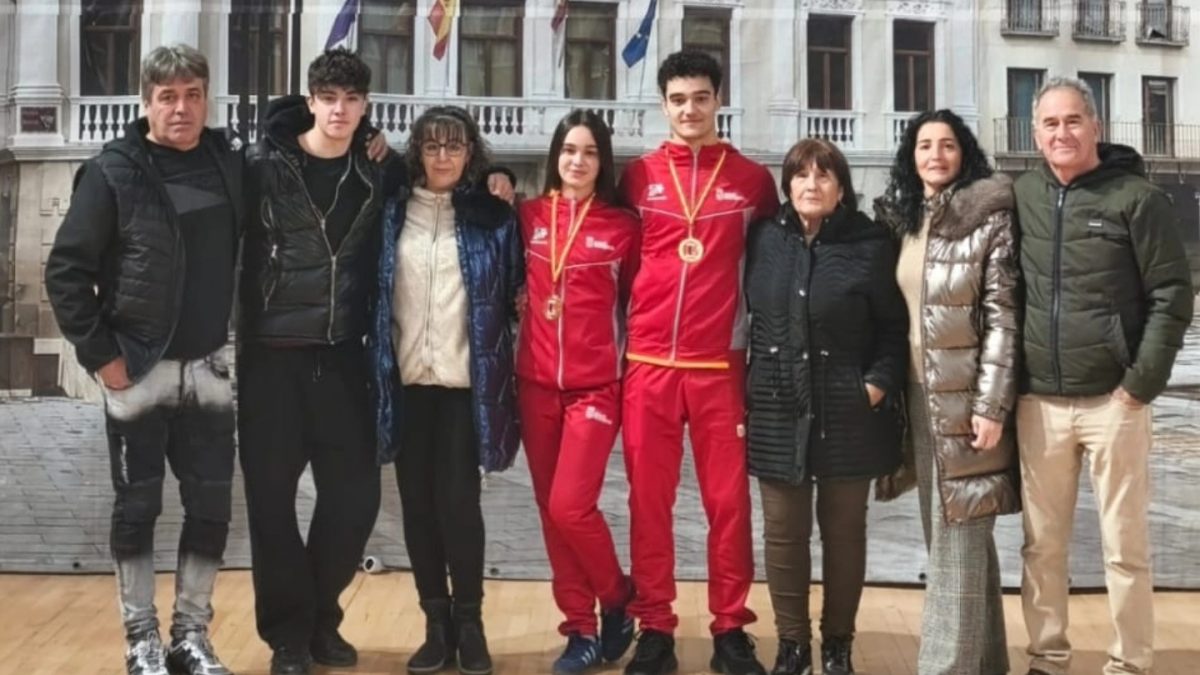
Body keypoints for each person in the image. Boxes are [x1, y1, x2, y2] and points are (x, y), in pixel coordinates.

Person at [44, 44, 240, 675]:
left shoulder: (228, 163)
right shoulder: (111, 172)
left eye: (192, 94)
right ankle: (141, 640)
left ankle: (191, 636)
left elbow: (295, 136)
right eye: (167, 96)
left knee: (211, 509)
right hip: (138, 370)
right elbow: (66, 273)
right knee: (138, 509)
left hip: (211, 371)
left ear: (207, 98)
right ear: (147, 101)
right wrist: (103, 358)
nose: (180, 108)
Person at [1014, 77, 1193, 675]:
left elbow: (1172, 294)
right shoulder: (1025, 195)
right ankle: (1047, 657)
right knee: (1043, 547)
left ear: (1095, 127)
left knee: (1125, 548)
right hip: (1039, 402)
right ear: (1034, 134)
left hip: (1115, 402)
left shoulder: (1136, 199)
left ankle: (1130, 662)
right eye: (1049, 123)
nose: (1061, 132)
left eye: (1072, 121)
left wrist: (1139, 384)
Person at [236, 48, 406, 675]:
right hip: (271, 359)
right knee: (272, 505)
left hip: (340, 358)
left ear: (365, 107)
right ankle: (288, 639)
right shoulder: (260, 165)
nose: (339, 110)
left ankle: (320, 616)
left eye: (351, 100)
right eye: (328, 98)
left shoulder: (381, 171)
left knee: (355, 499)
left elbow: (448, 180)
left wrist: (493, 181)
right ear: (310, 100)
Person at [617, 50, 778, 675]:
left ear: (718, 100)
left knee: (728, 506)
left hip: (719, 365)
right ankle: (654, 626)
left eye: (701, 97)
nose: (690, 109)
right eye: (679, 99)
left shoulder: (751, 181)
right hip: (649, 363)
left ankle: (731, 628)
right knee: (648, 504)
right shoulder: (637, 177)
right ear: (664, 104)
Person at [745, 139, 908, 675]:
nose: (810, 185)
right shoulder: (765, 237)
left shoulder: (870, 242)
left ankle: (837, 642)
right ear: (786, 184)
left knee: (844, 533)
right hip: (776, 406)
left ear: (841, 186)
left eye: (823, 175)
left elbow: (892, 326)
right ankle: (792, 645)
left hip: (848, 411)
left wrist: (877, 385)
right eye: (800, 175)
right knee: (783, 532)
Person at [369, 105, 522, 675]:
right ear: (418, 153)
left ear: (470, 153)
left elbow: (514, 296)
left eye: (453, 147)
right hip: (406, 383)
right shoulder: (391, 214)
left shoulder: (494, 219)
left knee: (460, 505)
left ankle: (470, 620)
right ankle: (435, 622)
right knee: (417, 508)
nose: (442, 157)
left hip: (465, 384)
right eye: (431, 147)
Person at [874, 109, 1021, 675]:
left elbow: (1003, 315)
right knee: (955, 537)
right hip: (917, 394)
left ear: (966, 154)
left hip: (965, 397)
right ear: (911, 157)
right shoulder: (908, 219)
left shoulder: (987, 215)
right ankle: (985, 663)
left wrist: (991, 404)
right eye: (924, 146)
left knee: (958, 540)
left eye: (948, 145)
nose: (935, 155)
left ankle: (942, 666)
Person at [516, 110, 640, 674]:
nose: (578, 161)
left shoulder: (622, 226)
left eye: (590, 152)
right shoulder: (528, 216)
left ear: (603, 161)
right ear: (555, 156)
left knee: (572, 505)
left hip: (595, 387)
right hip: (536, 384)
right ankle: (581, 630)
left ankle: (617, 594)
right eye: (570, 149)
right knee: (551, 511)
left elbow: (640, 304)